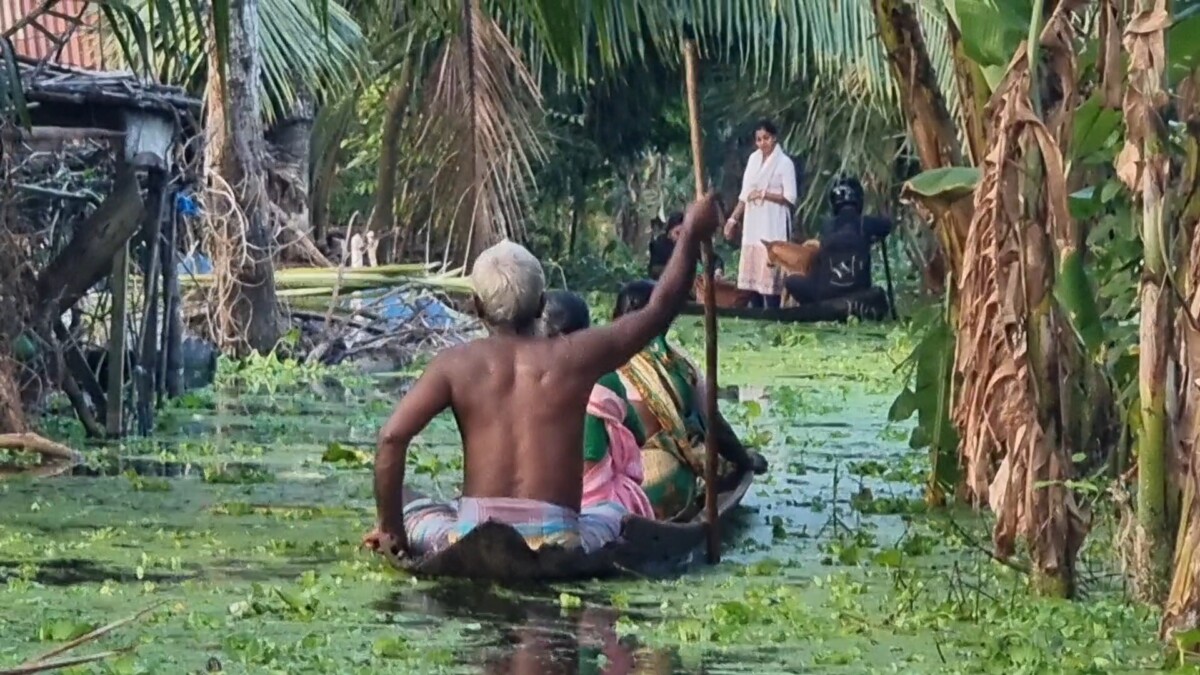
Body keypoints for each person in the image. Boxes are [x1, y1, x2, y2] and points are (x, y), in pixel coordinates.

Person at [362, 195, 723, 562]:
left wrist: (393, 532)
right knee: (614, 513)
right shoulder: (573, 356)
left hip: (471, 536)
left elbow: (392, 438)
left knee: (417, 507)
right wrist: (691, 234)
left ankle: (405, 526)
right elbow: (659, 310)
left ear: (476, 305)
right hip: (559, 539)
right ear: (540, 304)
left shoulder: (454, 364)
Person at [612, 280, 768, 520]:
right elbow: (713, 421)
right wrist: (744, 460)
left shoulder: (596, 359)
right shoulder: (677, 362)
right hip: (658, 483)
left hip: (602, 482)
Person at [537, 290, 654, 519]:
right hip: (595, 498)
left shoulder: (524, 373)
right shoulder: (605, 376)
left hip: (534, 495)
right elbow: (638, 435)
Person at [722, 119, 799, 309]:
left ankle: (772, 311)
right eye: (759, 139)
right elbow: (745, 194)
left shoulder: (784, 163)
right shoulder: (753, 159)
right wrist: (733, 219)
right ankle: (755, 313)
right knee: (752, 278)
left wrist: (765, 194)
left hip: (773, 221)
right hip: (754, 223)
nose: (762, 143)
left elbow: (791, 198)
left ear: (774, 139)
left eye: (766, 138)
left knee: (770, 275)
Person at [783, 176, 892, 304]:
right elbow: (887, 225)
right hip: (858, 293)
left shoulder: (827, 226)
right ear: (859, 200)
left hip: (825, 294)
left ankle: (814, 308)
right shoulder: (866, 223)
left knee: (791, 281)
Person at [649, 212, 725, 281]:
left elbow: (714, 259)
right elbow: (654, 269)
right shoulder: (659, 245)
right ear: (669, 233)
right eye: (677, 233)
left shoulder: (689, 245)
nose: (680, 238)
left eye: (683, 234)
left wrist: (717, 270)